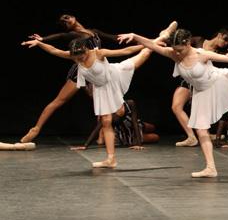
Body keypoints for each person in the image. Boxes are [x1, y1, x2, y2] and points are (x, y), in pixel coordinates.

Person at [21, 21, 176, 168]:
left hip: (115, 75)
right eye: (76, 58)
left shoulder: (98, 53)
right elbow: (55, 50)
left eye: (81, 56)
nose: (79, 60)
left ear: (85, 49)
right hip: (101, 89)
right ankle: (111, 159)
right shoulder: (74, 55)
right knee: (106, 121)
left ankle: (162, 36)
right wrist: (39, 43)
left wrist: (151, 43)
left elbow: (126, 51)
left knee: (145, 53)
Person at [118, 27, 228, 178]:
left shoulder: (201, 54)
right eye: (175, 49)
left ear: (187, 44)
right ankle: (210, 168)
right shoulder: (174, 54)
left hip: (216, 80)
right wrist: (134, 35)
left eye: (179, 49)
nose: (177, 52)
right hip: (201, 92)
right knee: (201, 129)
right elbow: (151, 45)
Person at [19, 14, 122, 143]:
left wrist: (130, 37)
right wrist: (42, 40)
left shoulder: (94, 31)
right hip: (81, 70)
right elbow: (60, 36)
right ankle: (35, 129)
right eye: (64, 22)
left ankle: (101, 135)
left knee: (101, 102)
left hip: (97, 70)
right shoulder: (74, 34)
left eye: (66, 18)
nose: (66, 21)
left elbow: (113, 37)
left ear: (73, 16)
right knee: (59, 100)